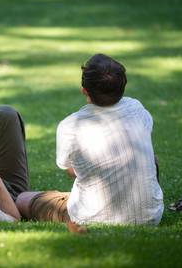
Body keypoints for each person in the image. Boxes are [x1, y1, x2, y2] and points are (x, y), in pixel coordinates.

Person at [17, 54, 164, 225]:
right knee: (151, 159)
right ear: (123, 85)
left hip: (92, 217)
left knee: (22, 199)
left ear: (84, 91)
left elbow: (70, 169)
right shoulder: (137, 109)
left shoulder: (70, 126)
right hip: (151, 217)